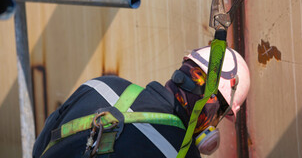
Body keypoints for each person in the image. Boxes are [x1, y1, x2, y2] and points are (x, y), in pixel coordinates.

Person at [32, 46, 250, 158]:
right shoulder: (180, 153)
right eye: (219, 115)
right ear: (211, 104)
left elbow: (39, 149)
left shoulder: (101, 85)